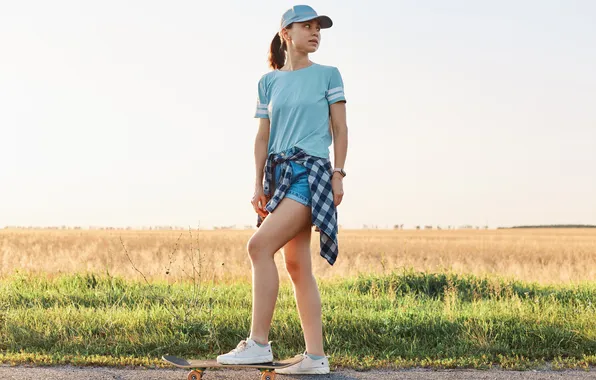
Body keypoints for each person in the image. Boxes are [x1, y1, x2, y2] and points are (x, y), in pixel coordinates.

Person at [216, 5, 348, 375]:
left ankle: (258, 343)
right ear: (285, 34)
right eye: (306, 26)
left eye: (318, 27)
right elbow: (262, 137)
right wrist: (258, 182)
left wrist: (338, 173)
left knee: (258, 246)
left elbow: (340, 129)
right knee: (296, 265)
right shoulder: (268, 82)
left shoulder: (328, 75)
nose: (315, 32)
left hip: (311, 176)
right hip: (279, 178)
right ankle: (315, 357)